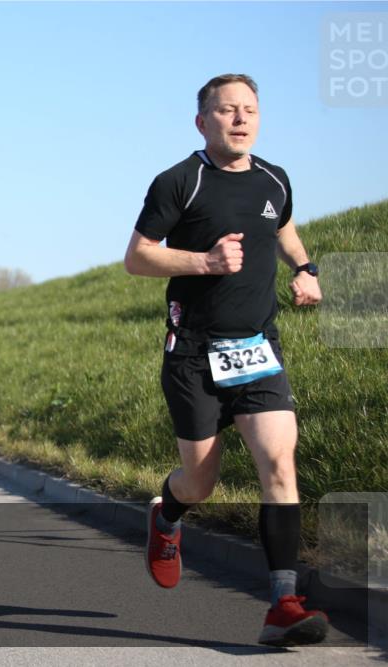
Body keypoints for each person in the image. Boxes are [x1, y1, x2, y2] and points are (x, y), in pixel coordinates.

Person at [123, 73, 327, 647]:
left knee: (279, 464)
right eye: (226, 110)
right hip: (192, 354)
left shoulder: (274, 178)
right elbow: (137, 257)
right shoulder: (179, 182)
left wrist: (304, 269)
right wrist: (204, 262)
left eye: (249, 110)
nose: (240, 119)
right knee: (200, 482)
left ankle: (283, 603)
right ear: (202, 121)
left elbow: (283, 227)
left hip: (258, 348)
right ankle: (167, 517)